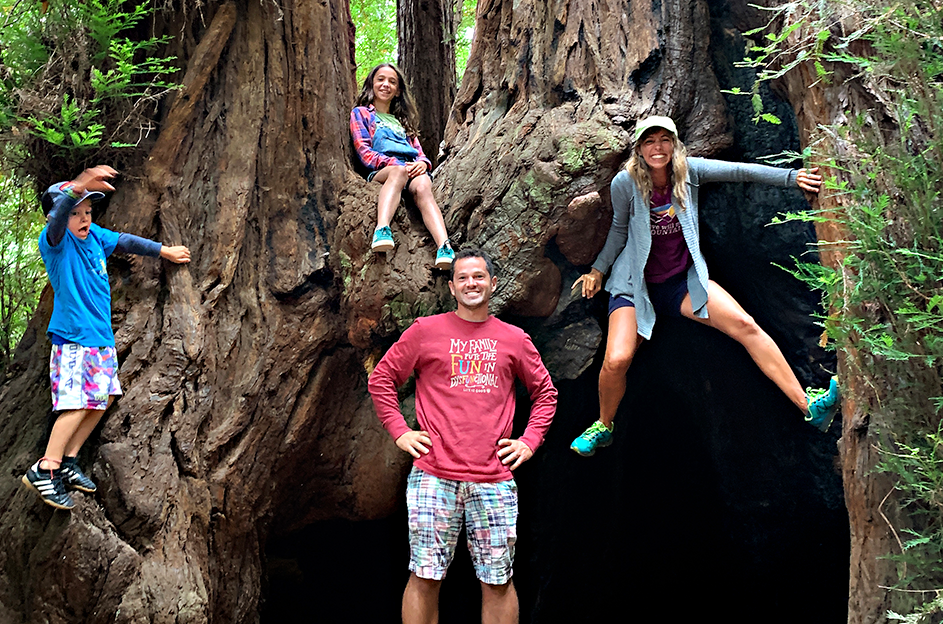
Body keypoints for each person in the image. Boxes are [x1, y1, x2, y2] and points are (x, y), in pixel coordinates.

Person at [569, 116, 840, 457]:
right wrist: (597, 270)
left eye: (664, 140)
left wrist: (792, 177)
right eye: (650, 141)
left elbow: (740, 172)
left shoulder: (689, 172)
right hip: (634, 285)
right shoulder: (626, 183)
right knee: (617, 360)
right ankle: (604, 425)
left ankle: (809, 406)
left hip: (681, 281)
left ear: (674, 144)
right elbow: (620, 230)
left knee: (745, 325)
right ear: (639, 148)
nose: (658, 148)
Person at [368, 248, 558, 624]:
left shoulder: (514, 339)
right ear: (452, 288)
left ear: (493, 284)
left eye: (479, 276)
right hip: (433, 476)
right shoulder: (425, 332)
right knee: (424, 576)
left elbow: (545, 393)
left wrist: (529, 441)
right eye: (463, 278)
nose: (472, 283)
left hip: (494, 479)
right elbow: (382, 380)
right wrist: (400, 431)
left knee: (498, 581)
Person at [21, 166, 191, 510]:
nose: (83, 218)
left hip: (100, 339)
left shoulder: (95, 236)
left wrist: (164, 251)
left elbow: (126, 240)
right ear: (60, 216)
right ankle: (45, 468)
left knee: (104, 398)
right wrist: (76, 188)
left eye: (87, 211)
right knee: (75, 403)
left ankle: (68, 460)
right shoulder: (55, 242)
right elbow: (55, 225)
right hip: (73, 337)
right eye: (75, 213)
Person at [350, 62, 455, 270]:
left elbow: (420, 153)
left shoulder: (402, 122)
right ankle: (382, 229)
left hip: (411, 169)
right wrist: (395, 164)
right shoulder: (361, 113)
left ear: (398, 91)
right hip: (385, 170)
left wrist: (422, 165)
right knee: (398, 172)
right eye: (380, 79)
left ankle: (444, 246)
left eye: (392, 81)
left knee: (424, 187)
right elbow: (364, 152)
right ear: (372, 83)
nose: (386, 84)